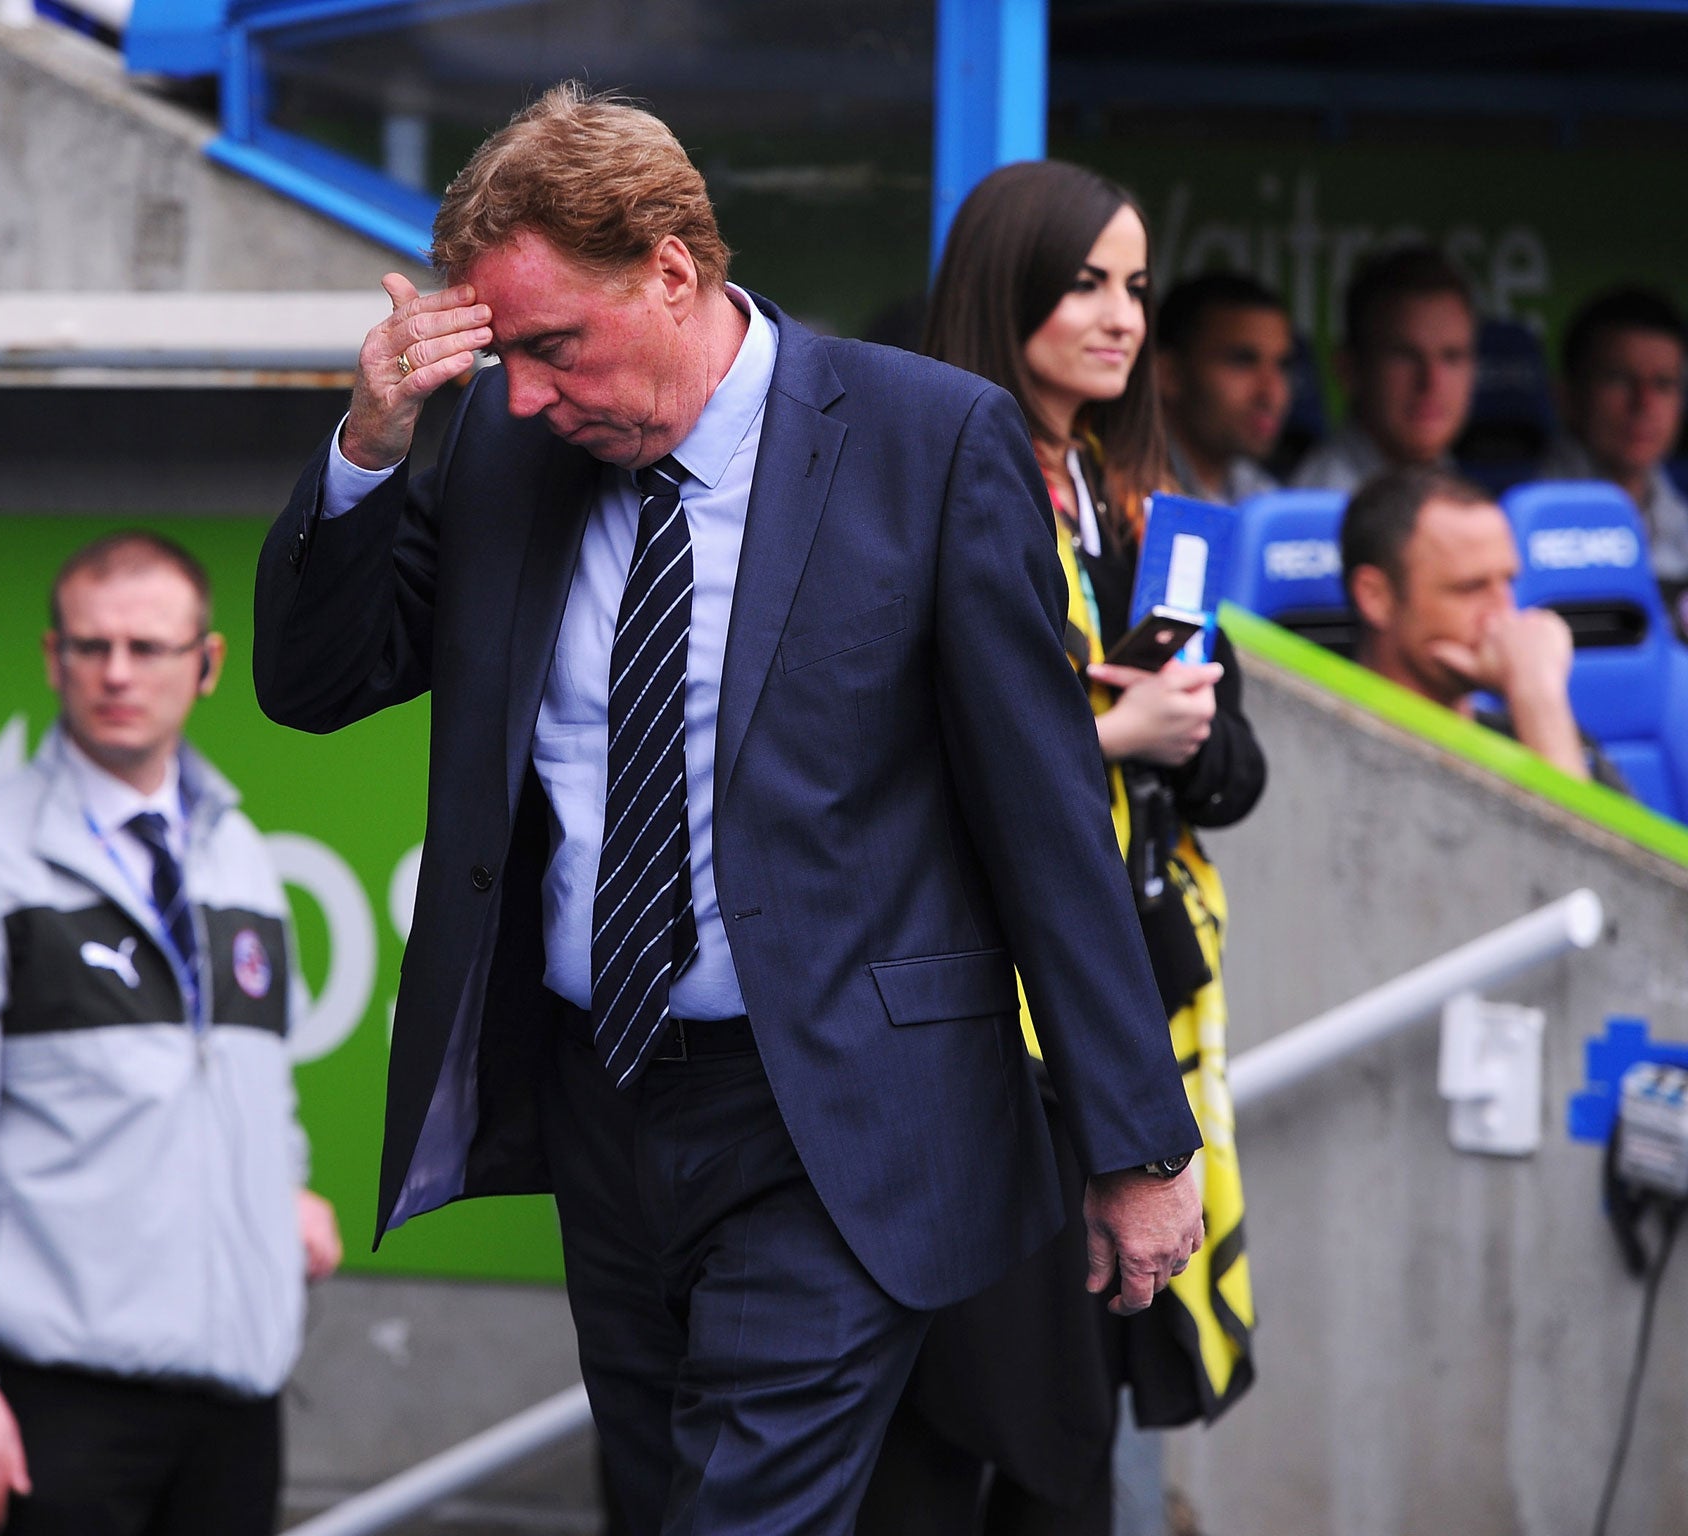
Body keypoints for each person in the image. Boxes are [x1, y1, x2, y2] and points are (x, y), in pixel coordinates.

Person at [253, 85, 1204, 1536]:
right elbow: (316, 681)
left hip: (839, 1114)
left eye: (553, 345)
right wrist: (374, 443)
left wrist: (1139, 1144)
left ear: (673, 269)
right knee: (660, 1507)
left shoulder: (929, 442)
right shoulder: (512, 450)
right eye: (503, 355)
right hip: (604, 1096)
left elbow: (1048, 815)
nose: (522, 391)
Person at [854, 161, 1265, 1536]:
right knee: (958, 1429)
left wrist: (1180, 729)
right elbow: (876, 769)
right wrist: (1104, 735)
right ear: (1004, 284)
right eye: (1086, 280)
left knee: (1074, 1437)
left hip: (1135, 1006)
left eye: (1138, 286)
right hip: (972, 1031)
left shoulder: (1142, 500)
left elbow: (1234, 774)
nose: (1121, 316)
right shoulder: (909, 480)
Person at [0, 532, 343, 1536]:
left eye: (146, 648)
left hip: (236, 1398)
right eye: (90, 646)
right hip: (52, 1406)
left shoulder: (238, 852)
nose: (115, 673)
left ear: (204, 666)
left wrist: (276, 1188)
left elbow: (250, 1082)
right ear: (52, 658)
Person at [1341, 466, 1627, 790]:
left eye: (1507, 582)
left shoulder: (1537, 731)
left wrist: (1538, 697)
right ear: (1376, 597)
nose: (1502, 614)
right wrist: (1535, 694)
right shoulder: (1323, 748)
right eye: (1470, 588)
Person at [1537, 286, 1688, 637]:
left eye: (1663, 384)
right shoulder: (1509, 522)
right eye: (1619, 379)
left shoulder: (1683, 524)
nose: (1644, 404)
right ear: (1567, 395)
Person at [1293, 244, 1478, 494]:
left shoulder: (1451, 482)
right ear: (1350, 369)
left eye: (1452, 357)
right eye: (1405, 355)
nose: (1431, 381)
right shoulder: (1319, 506)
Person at [1155, 270, 1295, 505]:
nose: (1271, 393)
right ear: (1169, 374)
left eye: (1283, 366)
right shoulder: (1125, 491)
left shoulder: (1262, 495)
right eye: (1242, 361)